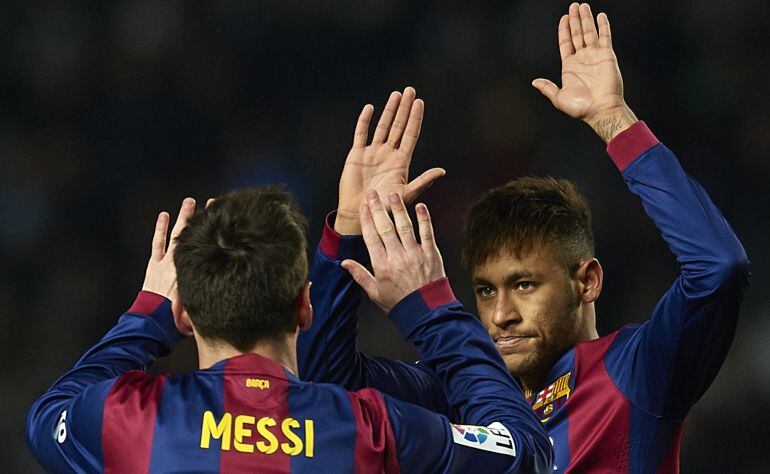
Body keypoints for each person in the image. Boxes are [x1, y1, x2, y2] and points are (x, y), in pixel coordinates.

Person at [298, 3, 750, 472]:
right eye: (485, 290)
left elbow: (718, 267)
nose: (501, 316)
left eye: (524, 285)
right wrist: (350, 225)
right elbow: (323, 385)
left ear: (588, 281)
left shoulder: (638, 371)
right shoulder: (462, 386)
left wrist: (614, 121)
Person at [26, 166, 552, 468]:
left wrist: (149, 314)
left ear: (185, 313)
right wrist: (430, 307)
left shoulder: (126, 419)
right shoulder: (372, 427)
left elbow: (49, 415)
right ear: (305, 306)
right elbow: (528, 453)